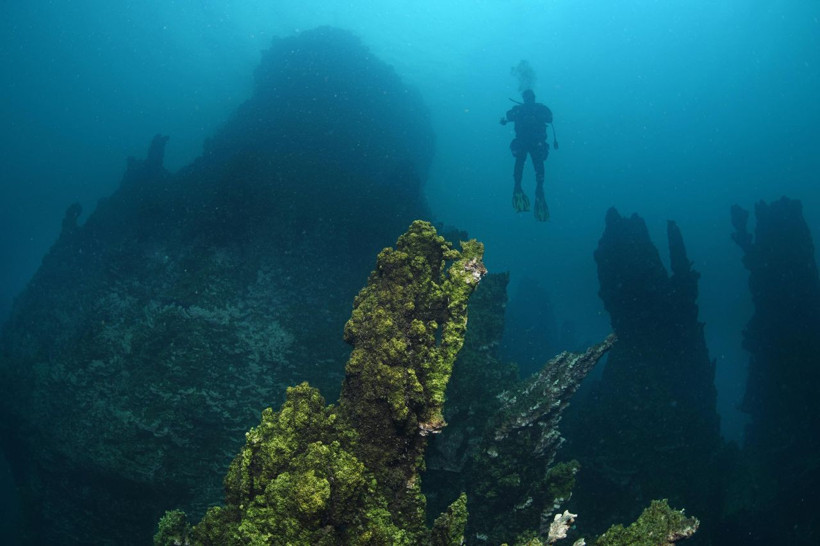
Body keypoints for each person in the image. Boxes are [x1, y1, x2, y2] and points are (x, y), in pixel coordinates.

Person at [500, 89, 558, 221]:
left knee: (526, 163)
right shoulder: (524, 109)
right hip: (532, 142)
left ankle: (527, 187)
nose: (529, 99)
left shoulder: (535, 109)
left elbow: (549, 118)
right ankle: (532, 188)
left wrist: (533, 117)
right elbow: (509, 116)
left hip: (531, 142)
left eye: (529, 97)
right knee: (533, 164)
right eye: (528, 97)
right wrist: (524, 116)